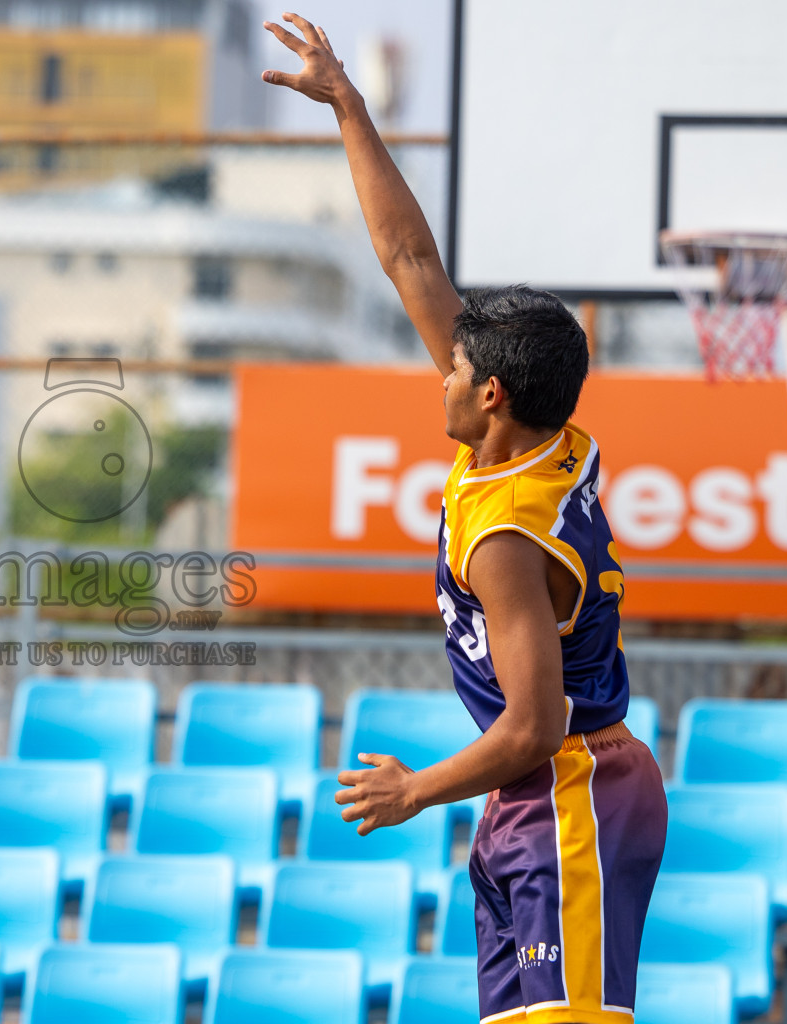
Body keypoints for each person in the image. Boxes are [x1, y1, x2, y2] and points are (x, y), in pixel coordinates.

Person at [262, 13, 665, 1024]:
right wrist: (348, 104)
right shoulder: (535, 431)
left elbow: (531, 722)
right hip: (545, 793)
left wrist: (416, 792)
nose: (437, 364)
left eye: (454, 362)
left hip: (570, 787)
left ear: (489, 394)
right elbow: (409, 259)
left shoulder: (503, 540)